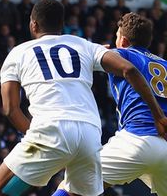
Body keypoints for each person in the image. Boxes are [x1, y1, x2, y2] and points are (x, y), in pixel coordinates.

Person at [0, 0, 166, 196]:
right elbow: (105, 57)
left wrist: (35, 135)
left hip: (128, 138)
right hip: (92, 134)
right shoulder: (86, 46)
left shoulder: (19, 52)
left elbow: (11, 109)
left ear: (33, 23)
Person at [53, 13, 167, 196]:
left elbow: (72, 60)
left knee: (72, 187)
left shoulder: (121, 54)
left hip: (137, 140)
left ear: (122, 39)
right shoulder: (165, 64)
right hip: (165, 145)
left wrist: (94, 51)